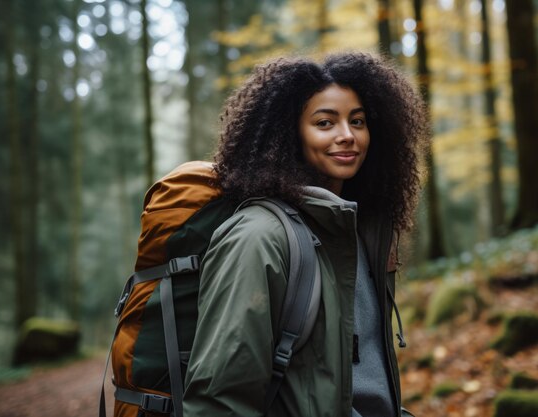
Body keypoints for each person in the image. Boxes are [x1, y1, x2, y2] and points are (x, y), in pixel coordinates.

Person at [182, 51, 428, 417]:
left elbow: (361, 381)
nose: (347, 135)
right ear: (288, 134)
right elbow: (219, 401)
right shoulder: (258, 237)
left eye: (357, 121)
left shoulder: (362, 232)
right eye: (325, 123)